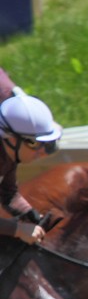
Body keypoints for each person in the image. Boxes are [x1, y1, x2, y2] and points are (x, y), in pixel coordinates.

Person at [0, 67, 62, 245]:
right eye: (35, 144)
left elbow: (8, 193)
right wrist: (17, 229)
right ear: (12, 139)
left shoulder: (9, 152)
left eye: (46, 145)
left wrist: (29, 214)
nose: (42, 151)